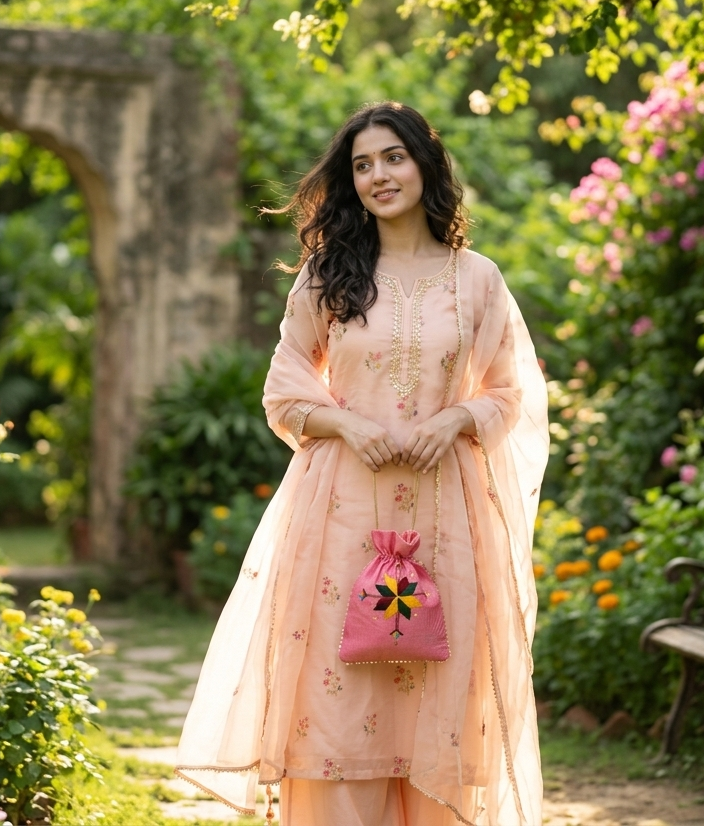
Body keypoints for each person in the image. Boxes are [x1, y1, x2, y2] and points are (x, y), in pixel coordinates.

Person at [176, 102, 549, 826]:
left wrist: (457, 418)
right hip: (340, 519)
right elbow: (284, 391)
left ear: (425, 164)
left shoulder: (477, 279)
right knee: (337, 705)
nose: (379, 175)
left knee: (439, 696)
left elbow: (511, 391)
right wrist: (346, 423)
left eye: (393, 157)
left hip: (447, 518)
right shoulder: (329, 276)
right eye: (362, 164)